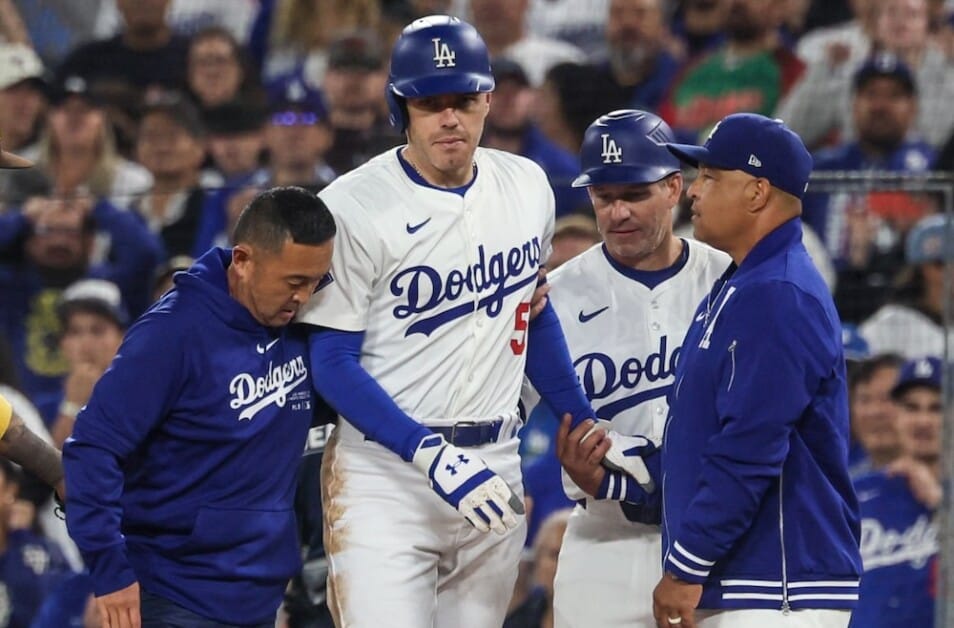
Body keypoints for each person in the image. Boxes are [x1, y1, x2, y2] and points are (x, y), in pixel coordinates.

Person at [296, 16, 633, 628]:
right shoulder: (350, 205)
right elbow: (331, 363)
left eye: (462, 100)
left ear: (487, 100)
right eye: (430, 103)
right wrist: (429, 455)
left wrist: (581, 419)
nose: (449, 118)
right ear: (402, 109)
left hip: (495, 463)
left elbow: (534, 317)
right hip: (385, 475)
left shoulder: (528, 185)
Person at [63, 186, 336, 627]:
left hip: (259, 597)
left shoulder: (298, 323)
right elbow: (92, 448)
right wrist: (110, 571)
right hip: (174, 594)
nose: (305, 297)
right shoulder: (171, 335)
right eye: (293, 282)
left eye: (316, 281)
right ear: (243, 261)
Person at [653, 113, 862, 627]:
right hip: (753, 579)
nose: (693, 193)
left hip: (779, 586)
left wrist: (685, 568)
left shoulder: (778, 293)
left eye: (710, 177)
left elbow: (750, 446)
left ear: (757, 193)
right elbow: (705, 435)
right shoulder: (743, 283)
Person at [540, 110, 729, 628]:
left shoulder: (726, 277)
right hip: (604, 540)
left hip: (713, 539)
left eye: (634, 194)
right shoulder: (557, 295)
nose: (618, 212)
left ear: (673, 188)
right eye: (604, 197)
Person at [849, 355, 943, 628]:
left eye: (936, 408)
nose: (923, 420)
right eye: (911, 408)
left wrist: (938, 501)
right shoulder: (858, 493)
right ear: (897, 416)